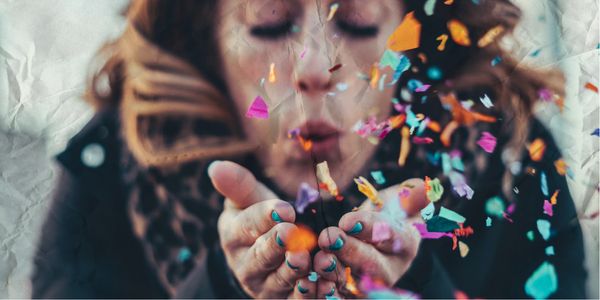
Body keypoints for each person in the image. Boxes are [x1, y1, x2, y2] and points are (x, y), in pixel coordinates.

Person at [31, 0, 587, 298]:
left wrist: (420, 289)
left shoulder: (515, 159)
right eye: (270, 24)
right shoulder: (119, 159)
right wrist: (221, 291)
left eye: (358, 21)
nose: (315, 68)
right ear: (208, 42)